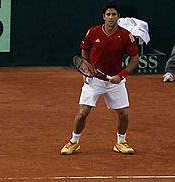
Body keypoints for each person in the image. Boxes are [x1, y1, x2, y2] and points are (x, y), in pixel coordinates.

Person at [60, 3, 140, 156]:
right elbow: (85, 49)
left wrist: (121, 75)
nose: (111, 17)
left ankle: (120, 142)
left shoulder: (125, 35)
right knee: (83, 112)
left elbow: (135, 59)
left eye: (114, 14)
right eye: (108, 14)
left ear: (118, 17)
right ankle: (74, 141)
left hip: (115, 80)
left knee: (123, 113)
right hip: (94, 80)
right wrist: (86, 67)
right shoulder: (93, 32)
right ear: (103, 17)